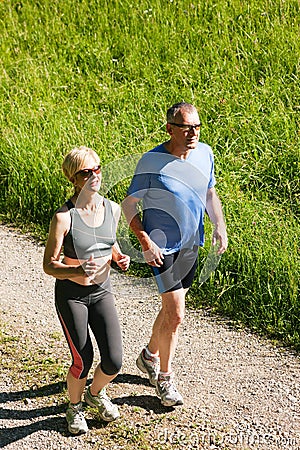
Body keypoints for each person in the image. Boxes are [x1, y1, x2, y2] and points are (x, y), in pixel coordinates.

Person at [122, 102, 227, 407]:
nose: (193, 132)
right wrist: (145, 242)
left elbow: (209, 192)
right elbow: (129, 205)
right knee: (177, 314)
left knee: (171, 311)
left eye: (197, 126)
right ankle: (164, 380)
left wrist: (219, 225)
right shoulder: (152, 161)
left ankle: (148, 356)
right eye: (186, 127)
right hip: (162, 247)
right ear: (170, 128)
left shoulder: (205, 153)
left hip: (192, 244)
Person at [43, 146, 130, 434]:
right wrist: (78, 271)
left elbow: (110, 242)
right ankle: (75, 407)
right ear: (74, 179)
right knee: (83, 359)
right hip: (72, 296)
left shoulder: (112, 209)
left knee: (114, 360)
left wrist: (118, 258)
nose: (95, 175)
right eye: (86, 172)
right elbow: (50, 265)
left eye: (98, 169)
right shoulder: (63, 218)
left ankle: (96, 393)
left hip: (102, 291)